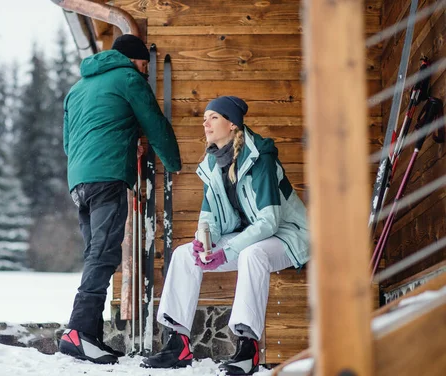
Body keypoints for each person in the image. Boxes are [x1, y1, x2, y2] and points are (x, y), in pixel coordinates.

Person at [141, 96, 309, 375]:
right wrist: (202, 241)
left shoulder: (260, 158)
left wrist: (227, 251)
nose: (205, 122)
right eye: (205, 117)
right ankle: (178, 342)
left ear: (232, 124)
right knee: (185, 255)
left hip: (287, 236)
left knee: (251, 254)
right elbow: (210, 218)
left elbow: (269, 222)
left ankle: (247, 348)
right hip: (247, 235)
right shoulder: (212, 164)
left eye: (214, 117)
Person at [58, 34, 182, 365]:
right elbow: (153, 122)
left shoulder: (76, 89)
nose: (144, 72)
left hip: (78, 182)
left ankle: (90, 336)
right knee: (104, 253)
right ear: (132, 60)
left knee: (95, 254)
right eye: (144, 65)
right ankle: (79, 331)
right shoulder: (128, 77)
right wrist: (173, 163)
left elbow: (72, 143)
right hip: (108, 176)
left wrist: (128, 146)